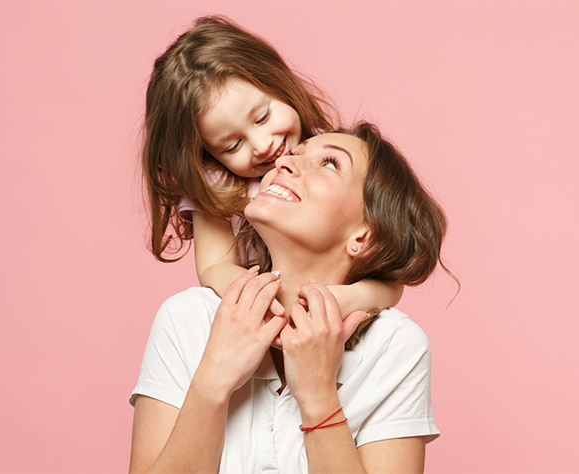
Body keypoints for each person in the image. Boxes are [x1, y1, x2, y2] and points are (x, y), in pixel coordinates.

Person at [130, 123, 450, 473]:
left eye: (329, 163)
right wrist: (212, 382)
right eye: (294, 154)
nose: (283, 163)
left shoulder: (394, 346)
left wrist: (318, 396)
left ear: (364, 235)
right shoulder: (187, 318)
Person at [142, 16, 402, 320]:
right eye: (232, 145)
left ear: (278, 85)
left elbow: (391, 282)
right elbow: (214, 267)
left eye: (262, 117)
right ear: (207, 155)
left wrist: (349, 296)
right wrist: (260, 298)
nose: (263, 145)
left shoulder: (325, 156)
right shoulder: (217, 188)